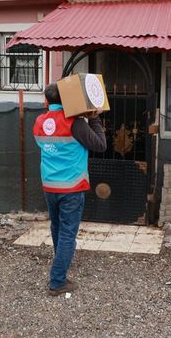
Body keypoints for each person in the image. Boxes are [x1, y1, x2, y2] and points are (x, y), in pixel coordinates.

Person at [33, 82, 106, 296]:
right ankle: (57, 281)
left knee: (57, 228)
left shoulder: (39, 121)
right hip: (72, 187)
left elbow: (42, 143)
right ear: (67, 100)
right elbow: (100, 145)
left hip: (49, 186)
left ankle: (61, 272)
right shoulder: (75, 123)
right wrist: (93, 118)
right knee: (67, 233)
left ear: (47, 101)